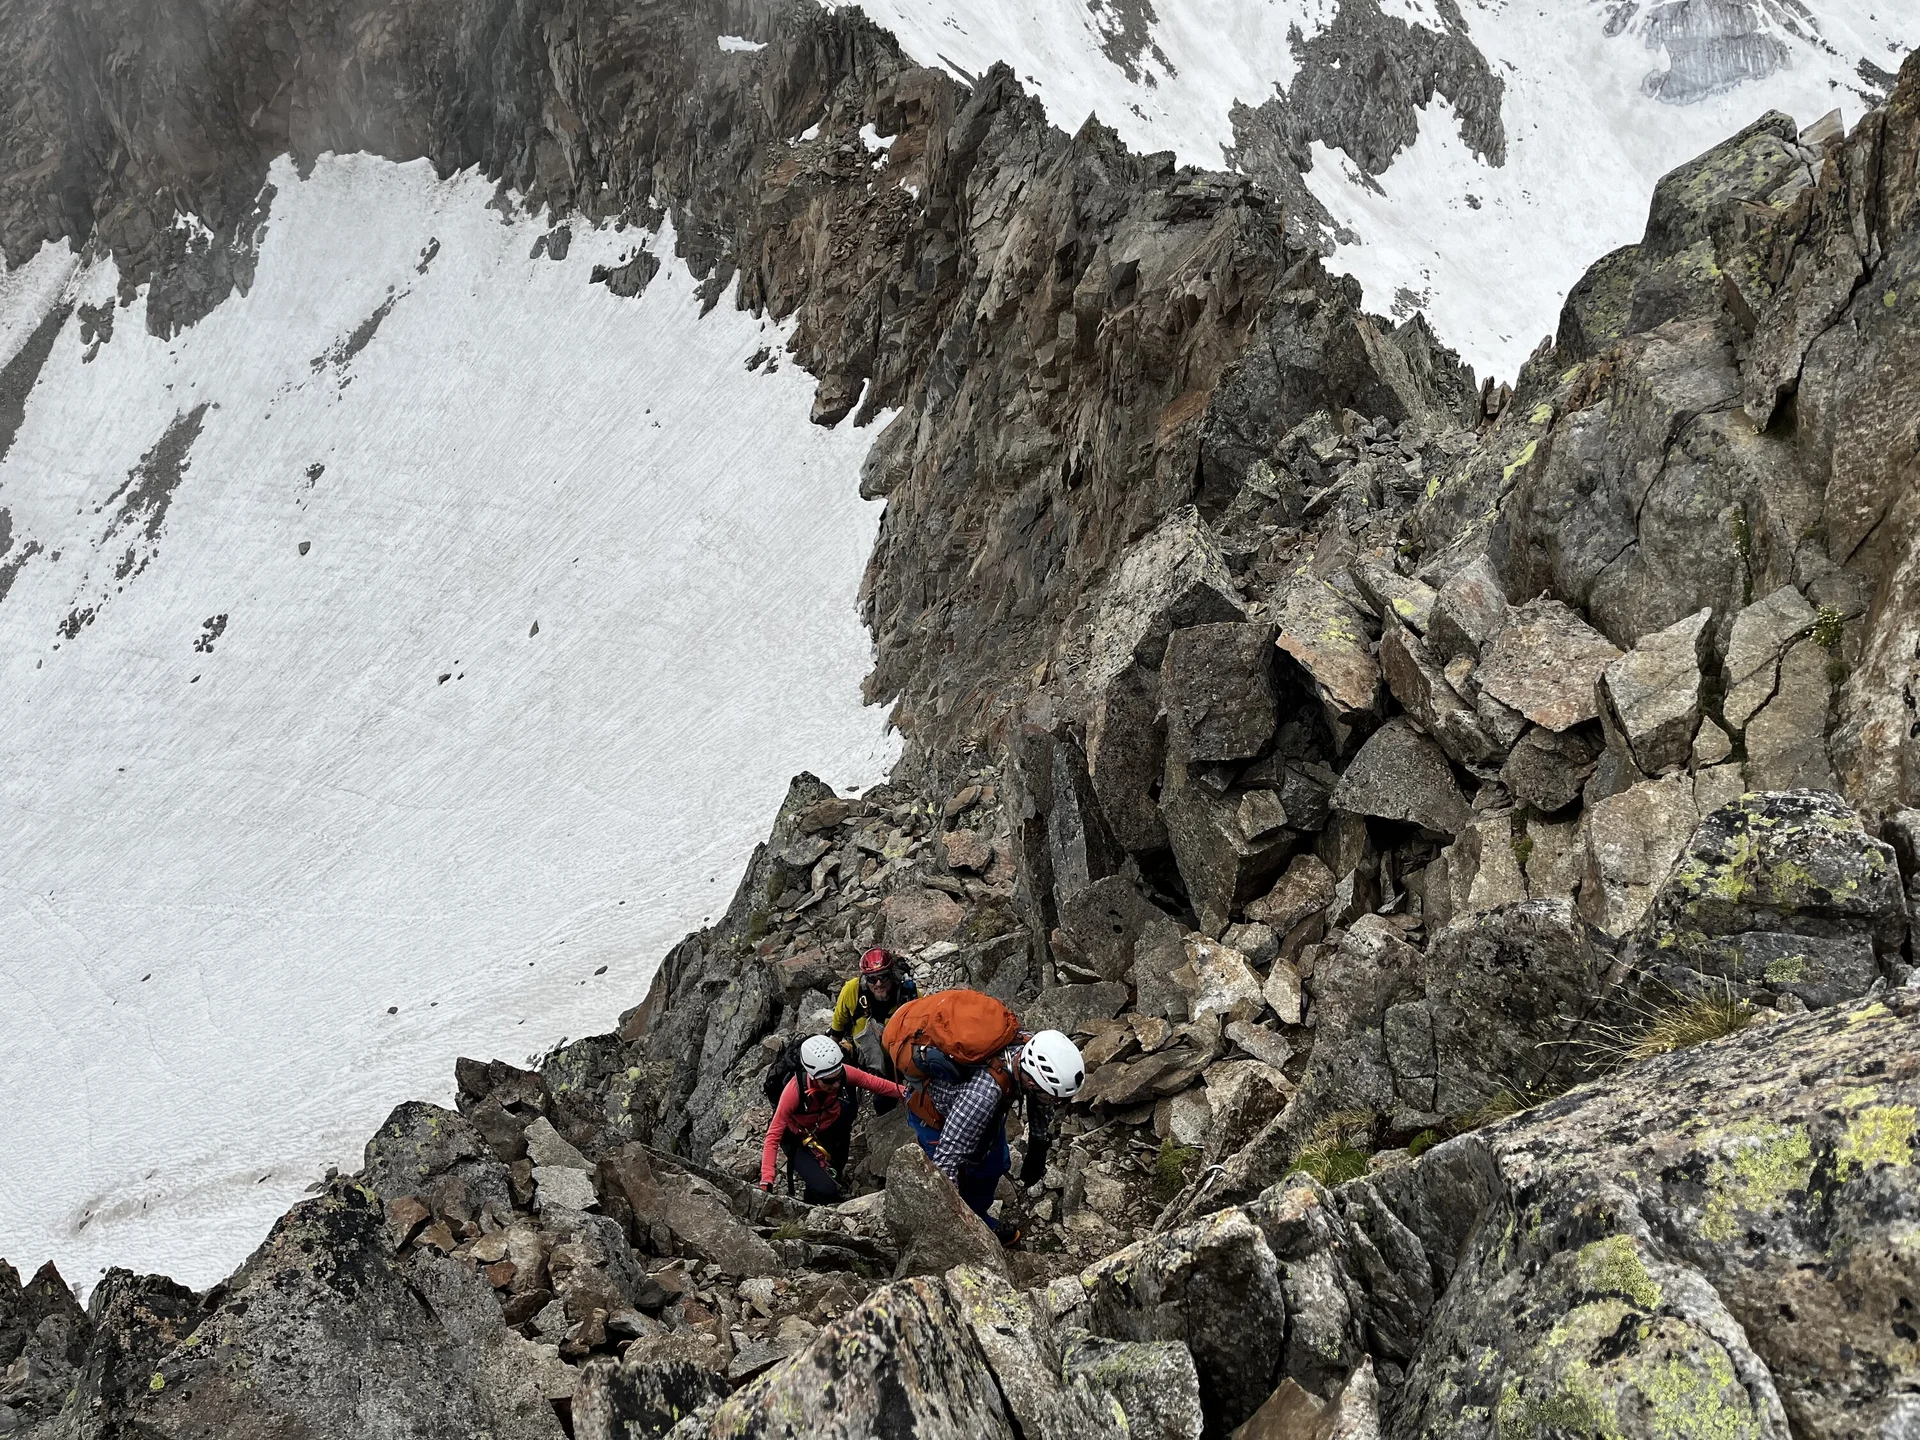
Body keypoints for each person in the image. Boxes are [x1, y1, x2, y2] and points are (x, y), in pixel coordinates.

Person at [904, 1026, 1084, 1236]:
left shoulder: (1029, 1049)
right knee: (960, 1175)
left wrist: (1038, 1145)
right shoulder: (982, 1095)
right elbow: (946, 1163)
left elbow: (1040, 1100)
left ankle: (980, 1217)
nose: (1055, 1104)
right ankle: (965, 1234)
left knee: (993, 1165)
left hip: (986, 1113)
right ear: (1031, 1082)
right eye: (1052, 1098)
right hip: (937, 1120)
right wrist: (951, 1223)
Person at [760, 1034, 905, 1204]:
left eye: (838, 1078)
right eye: (829, 1081)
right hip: (797, 1138)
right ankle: (814, 1199)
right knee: (826, 1190)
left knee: (837, 1167)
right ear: (813, 1075)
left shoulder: (840, 1072)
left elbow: (876, 1084)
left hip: (829, 1125)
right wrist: (767, 1179)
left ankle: (826, 1181)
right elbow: (773, 1136)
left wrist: (909, 1093)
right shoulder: (794, 1090)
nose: (836, 1084)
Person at [829, 948, 919, 1079]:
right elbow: (838, 1025)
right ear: (865, 979)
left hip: (899, 1058)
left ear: (892, 975)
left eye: (883, 977)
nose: (879, 983)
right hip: (864, 1055)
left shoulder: (908, 995)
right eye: (872, 979)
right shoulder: (852, 990)